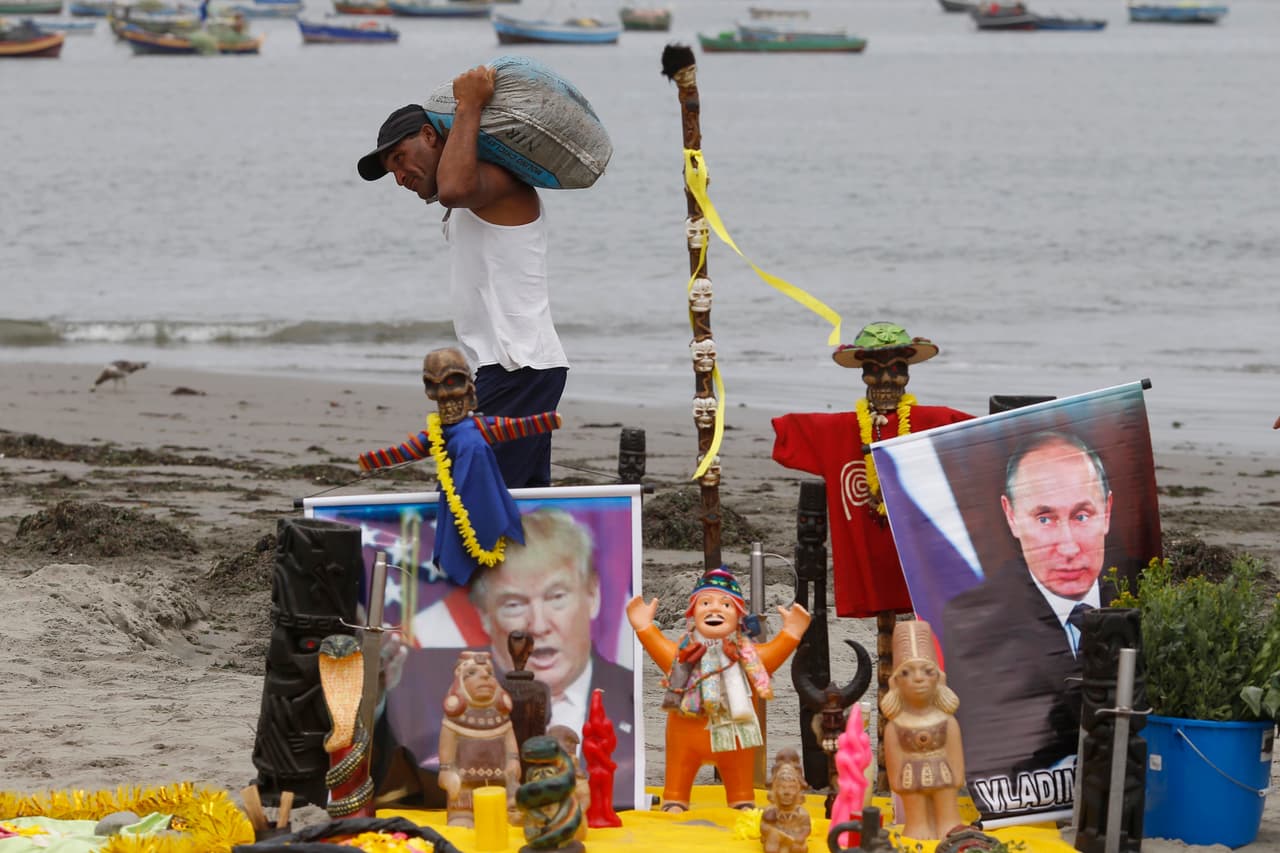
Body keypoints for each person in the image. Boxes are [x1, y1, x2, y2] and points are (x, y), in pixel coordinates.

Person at [357, 66, 569, 489]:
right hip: (506, 369)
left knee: (464, 501)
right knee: (512, 505)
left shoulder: (499, 182)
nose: (399, 177)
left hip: (517, 366)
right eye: (391, 171)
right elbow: (451, 191)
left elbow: (452, 186)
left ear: (431, 135)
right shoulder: (467, 198)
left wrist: (469, 104)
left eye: (400, 158)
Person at [392, 508, 637, 809]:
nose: (537, 625)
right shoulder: (428, 688)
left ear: (593, 594)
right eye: (513, 604)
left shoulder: (631, 692)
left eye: (556, 596)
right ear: (484, 616)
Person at [941, 430, 1117, 815]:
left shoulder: (1144, 600)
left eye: (1082, 515)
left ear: (1107, 510)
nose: (1069, 547)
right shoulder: (972, 623)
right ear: (1011, 516)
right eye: (1045, 518)